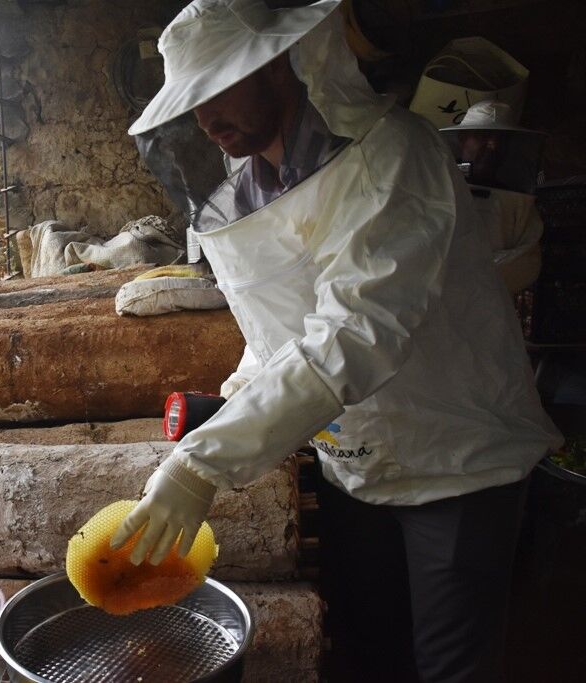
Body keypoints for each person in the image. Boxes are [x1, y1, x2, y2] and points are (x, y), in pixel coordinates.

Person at [109, 1, 562, 681]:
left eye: (221, 87)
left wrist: (206, 462)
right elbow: (276, 330)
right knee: (364, 654)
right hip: (356, 465)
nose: (205, 119)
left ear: (283, 63)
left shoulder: (392, 158)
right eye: (193, 102)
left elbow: (355, 330)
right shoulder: (249, 185)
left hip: (459, 462)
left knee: (451, 667)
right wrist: (237, 401)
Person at [439, 100, 548, 293]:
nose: (493, 145)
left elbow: (526, 264)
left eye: (500, 139)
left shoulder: (518, 202)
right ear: (463, 139)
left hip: (487, 310)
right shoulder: (436, 186)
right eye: (483, 136)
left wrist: (467, 274)